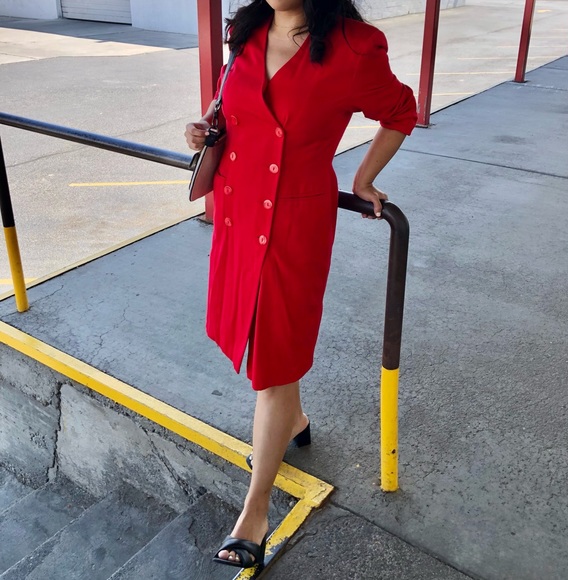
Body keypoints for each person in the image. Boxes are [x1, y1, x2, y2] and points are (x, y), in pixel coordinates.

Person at [184, 0, 417, 569]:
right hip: (239, 211)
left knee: (273, 359)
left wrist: (364, 177)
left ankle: (255, 512)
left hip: (292, 223)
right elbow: (228, 106)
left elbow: (400, 111)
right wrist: (203, 127)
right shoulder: (247, 29)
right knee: (267, 345)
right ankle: (295, 422)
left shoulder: (355, 46)